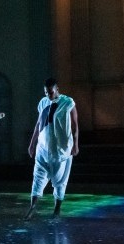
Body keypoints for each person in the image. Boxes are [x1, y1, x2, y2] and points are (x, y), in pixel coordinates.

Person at [24, 77, 79, 220]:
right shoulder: (43, 103)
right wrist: (32, 144)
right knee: (38, 177)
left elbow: (74, 125)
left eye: (50, 92)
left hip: (61, 150)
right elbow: (38, 124)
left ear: (57, 90)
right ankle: (32, 207)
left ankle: (57, 209)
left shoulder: (68, 103)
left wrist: (76, 144)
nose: (48, 95)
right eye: (46, 93)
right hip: (43, 148)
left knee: (60, 181)